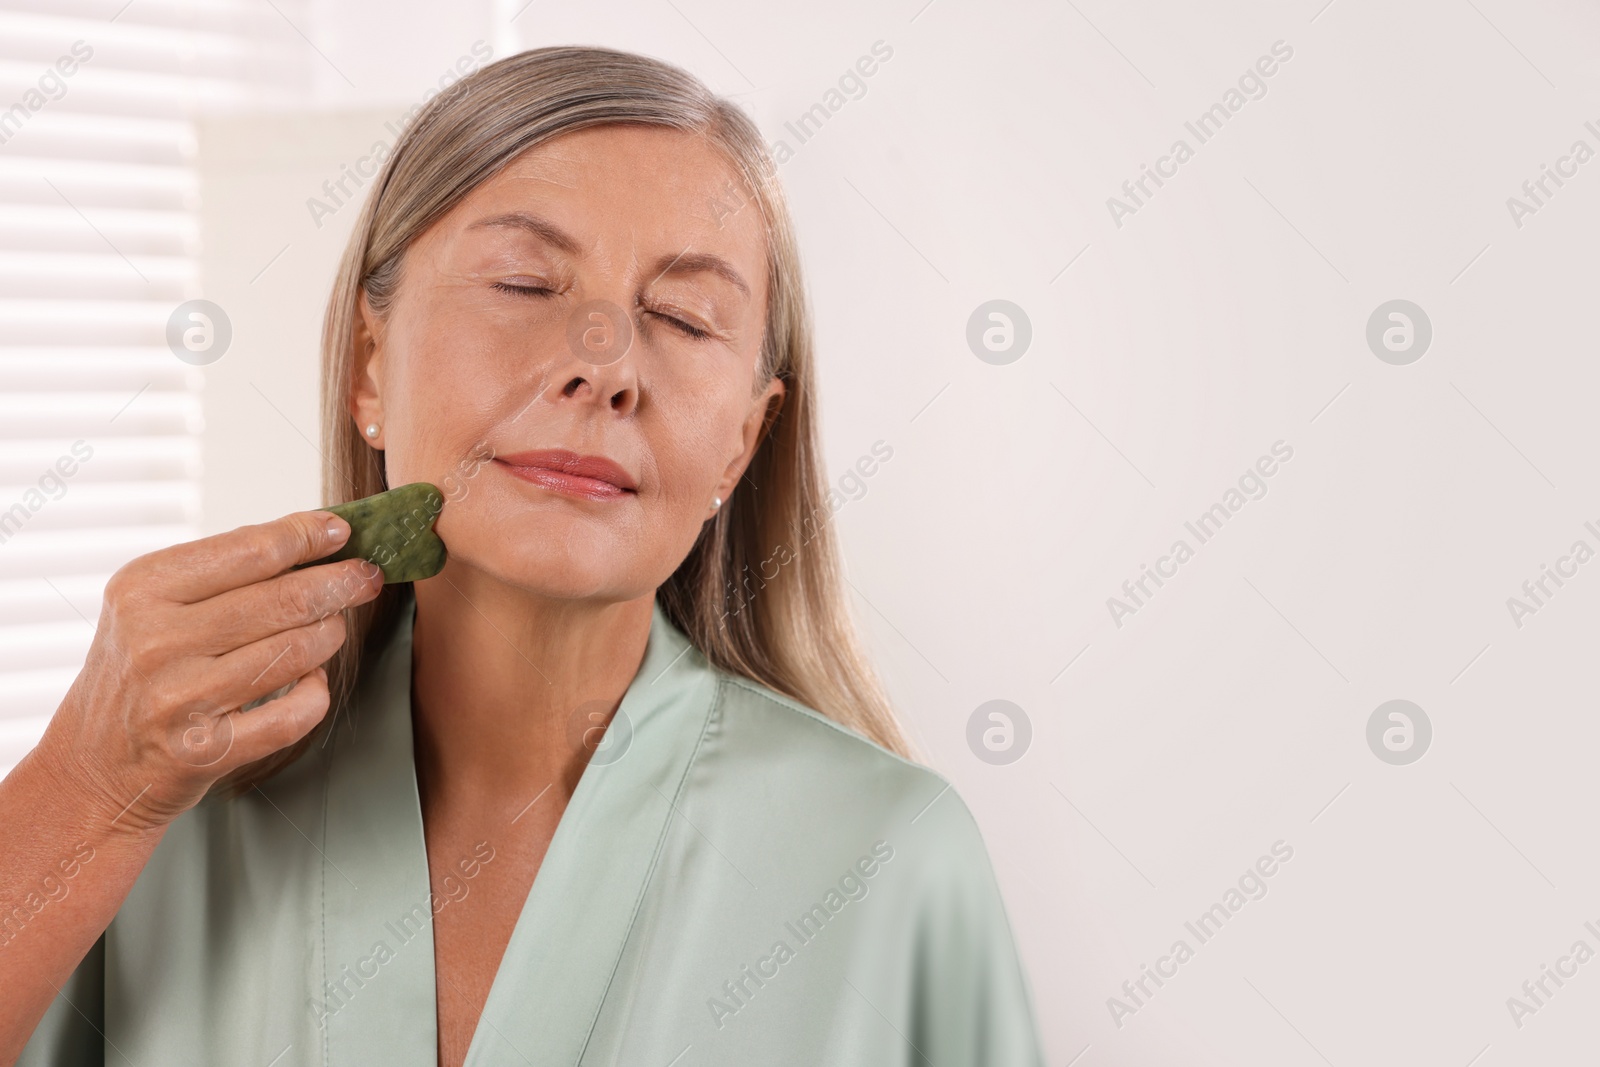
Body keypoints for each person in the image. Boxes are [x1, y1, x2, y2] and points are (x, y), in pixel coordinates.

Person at [3, 46, 1045, 1066]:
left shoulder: (892, 860)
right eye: (525, 283)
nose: (604, 365)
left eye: (683, 317)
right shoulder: (163, 808)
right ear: (370, 363)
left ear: (744, 437)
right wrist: (83, 786)